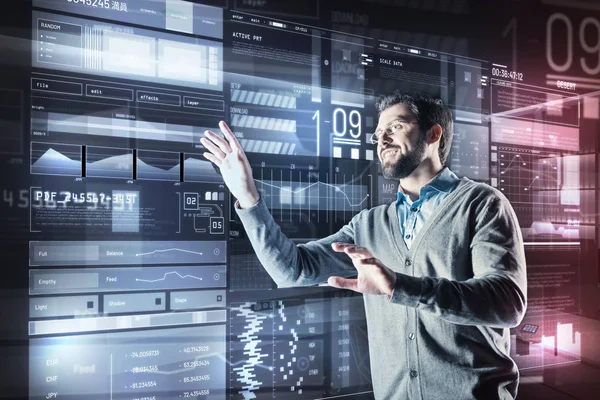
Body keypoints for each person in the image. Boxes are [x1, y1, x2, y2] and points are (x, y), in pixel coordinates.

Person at [201, 91, 527, 400]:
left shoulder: (482, 204)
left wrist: (401, 286)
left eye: (395, 127)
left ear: (433, 134)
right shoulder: (368, 226)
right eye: (378, 133)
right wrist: (247, 197)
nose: (381, 139)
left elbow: (507, 303)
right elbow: (293, 271)